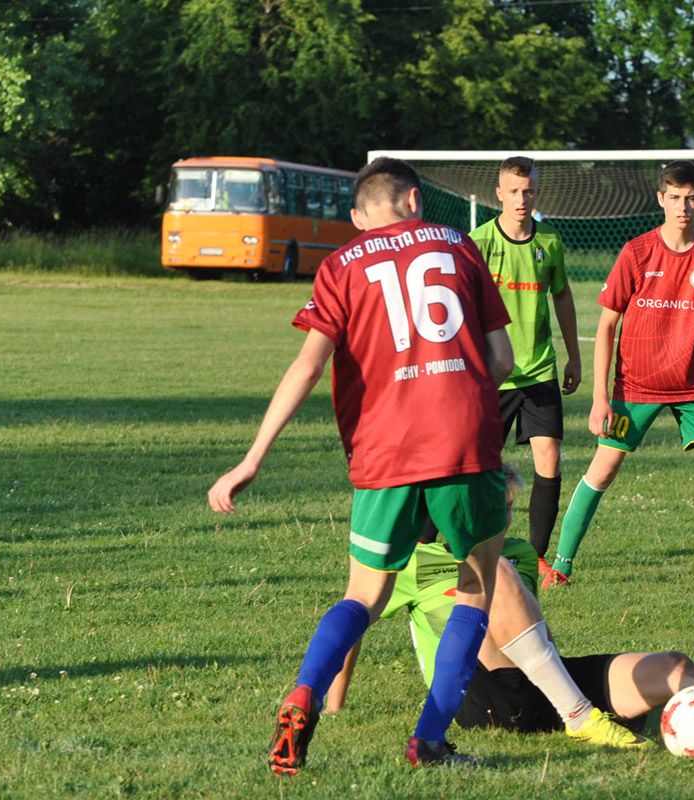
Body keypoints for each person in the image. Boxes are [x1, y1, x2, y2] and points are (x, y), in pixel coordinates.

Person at [207, 157, 515, 773]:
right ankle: (429, 741)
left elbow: (308, 366)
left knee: (364, 594)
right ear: (413, 200)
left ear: (357, 217)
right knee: (476, 584)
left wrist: (251, 459)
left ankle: (304, 693)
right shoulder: (460, 244)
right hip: (462, 440)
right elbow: (502, 358)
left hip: (384, 449)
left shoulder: (339, 265)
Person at [328, 466, 694, 764]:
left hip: (543, 684)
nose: (503, 517)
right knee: (496, 571)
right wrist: (334, 705)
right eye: (494, 508)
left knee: (677, 668)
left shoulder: (520, 553)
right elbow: (356, 618)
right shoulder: (421, 561)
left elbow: (530, 632)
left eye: (508, 508)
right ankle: (582, 718)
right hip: (477, 697)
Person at [550, 160, 694, 592]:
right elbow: (607, 325)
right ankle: (561, 565)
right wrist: (599, 397)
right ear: (660, 200)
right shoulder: (637, 252)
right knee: (604, 468)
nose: (683, 206)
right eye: (675, 198)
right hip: (635, 386)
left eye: (691, 198)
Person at [469, 156, 581, 586]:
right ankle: (459, 547)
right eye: (513, 191)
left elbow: (562, 296)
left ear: (537, 192)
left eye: (528, 190)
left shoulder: (549, 242)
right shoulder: (478, 243)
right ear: (499, 193)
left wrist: (574, 355)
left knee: (548, 460)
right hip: (492, 374)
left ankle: (535, 558)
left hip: (539, 372)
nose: (521, 198)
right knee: (476, 467)